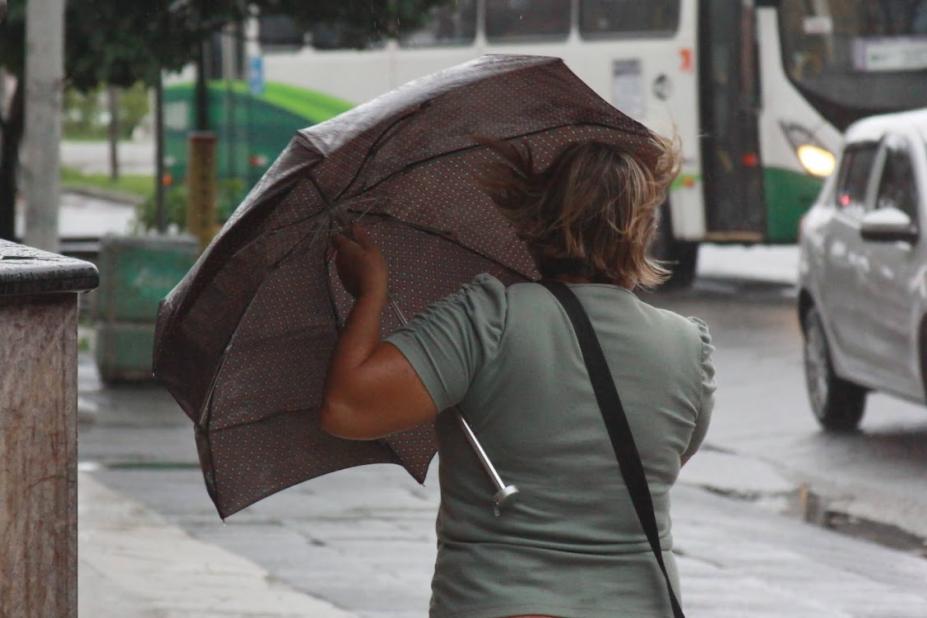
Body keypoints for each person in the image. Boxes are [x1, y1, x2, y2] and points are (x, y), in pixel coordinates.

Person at [320, 133, 716, 618]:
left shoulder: (487, 319)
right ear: (641, 228)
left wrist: (370, 294)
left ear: (534, 220)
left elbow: (348, 408)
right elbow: (665, 458)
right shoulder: (689, 347)